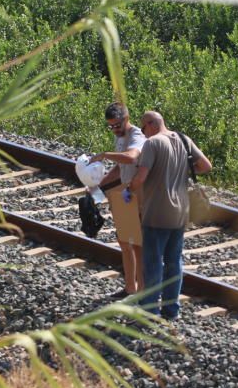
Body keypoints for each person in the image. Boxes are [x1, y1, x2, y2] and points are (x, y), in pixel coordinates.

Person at [128, 111, 211, 320]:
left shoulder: (152, 143)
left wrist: (129, 188)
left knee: (153, 262)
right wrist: (180, 168)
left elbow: (142, 176)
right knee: (174, 262)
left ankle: (149, 311)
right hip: (181, 212)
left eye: (143, 128)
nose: (143, 133)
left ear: (150, 124)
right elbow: (205, 166)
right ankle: (171, 310)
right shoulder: (183, 139)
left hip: (156, 211)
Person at [89, 102, 146, 296]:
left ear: (126, 119)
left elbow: (130, 158)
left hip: (139, 193)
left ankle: (142, 291)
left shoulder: (136, 135)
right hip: (126, 192)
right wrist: (98, 187)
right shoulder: (120, 137)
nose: (114, 130)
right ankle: (130, 287)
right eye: (110, 126)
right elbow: (120, 168)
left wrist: (105, 155)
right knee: (124, 241)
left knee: (137, 244)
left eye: (117, 125)